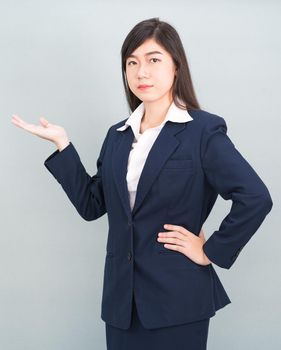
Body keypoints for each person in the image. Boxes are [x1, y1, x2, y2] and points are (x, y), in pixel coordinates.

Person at [11, 17, 273, 350]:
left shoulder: (202, 131)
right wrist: (63, 146)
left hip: (178, 300)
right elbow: (93, 206)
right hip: (122, 305)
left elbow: (255, 197)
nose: (141, 72)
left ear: (176, 67)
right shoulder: (118, 135)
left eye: (153, 60)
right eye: (131, 62)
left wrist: (210, 250)